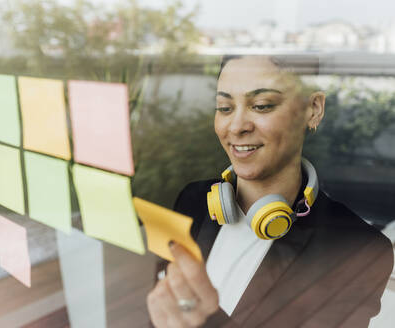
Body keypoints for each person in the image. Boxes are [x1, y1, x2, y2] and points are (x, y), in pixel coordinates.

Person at [146, 55, 394, 328]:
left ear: (313, 109)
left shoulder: (359, 251)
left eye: (262, 106)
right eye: (225, 107)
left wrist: (205, 322)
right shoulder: (192, 200)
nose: (237, 126)